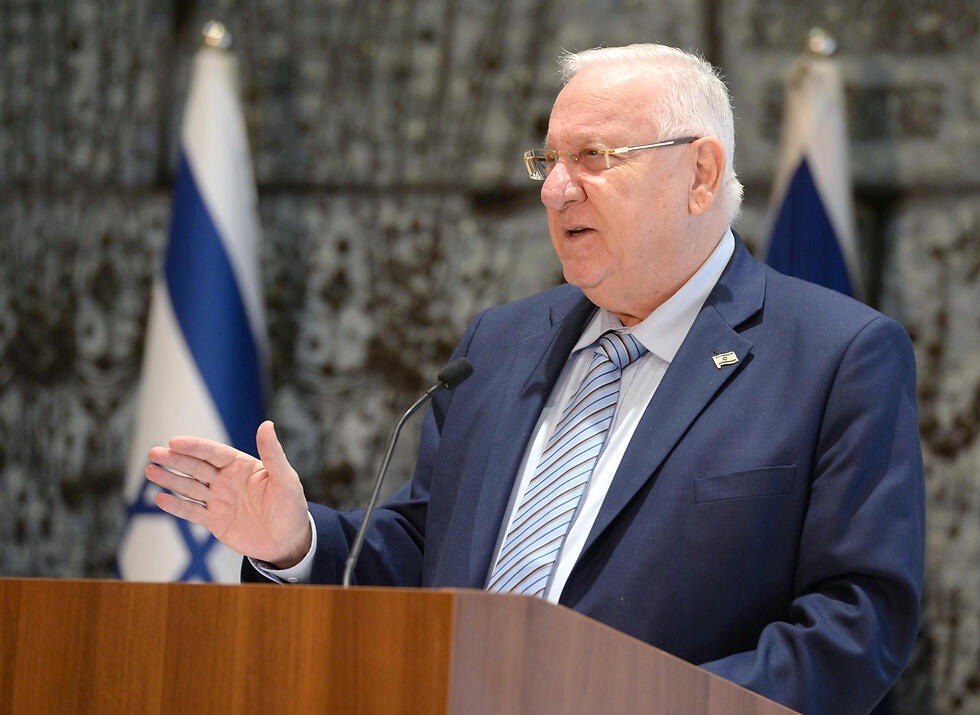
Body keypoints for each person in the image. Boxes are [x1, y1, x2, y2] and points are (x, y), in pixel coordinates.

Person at [145, 44, 924, 714]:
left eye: (593, 158)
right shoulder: (502, 341)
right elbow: (426, 547)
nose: (555, 190)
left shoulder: (835, 356)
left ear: (700, 173)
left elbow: (856, 624)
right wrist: (295, 539)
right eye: (549, 161)